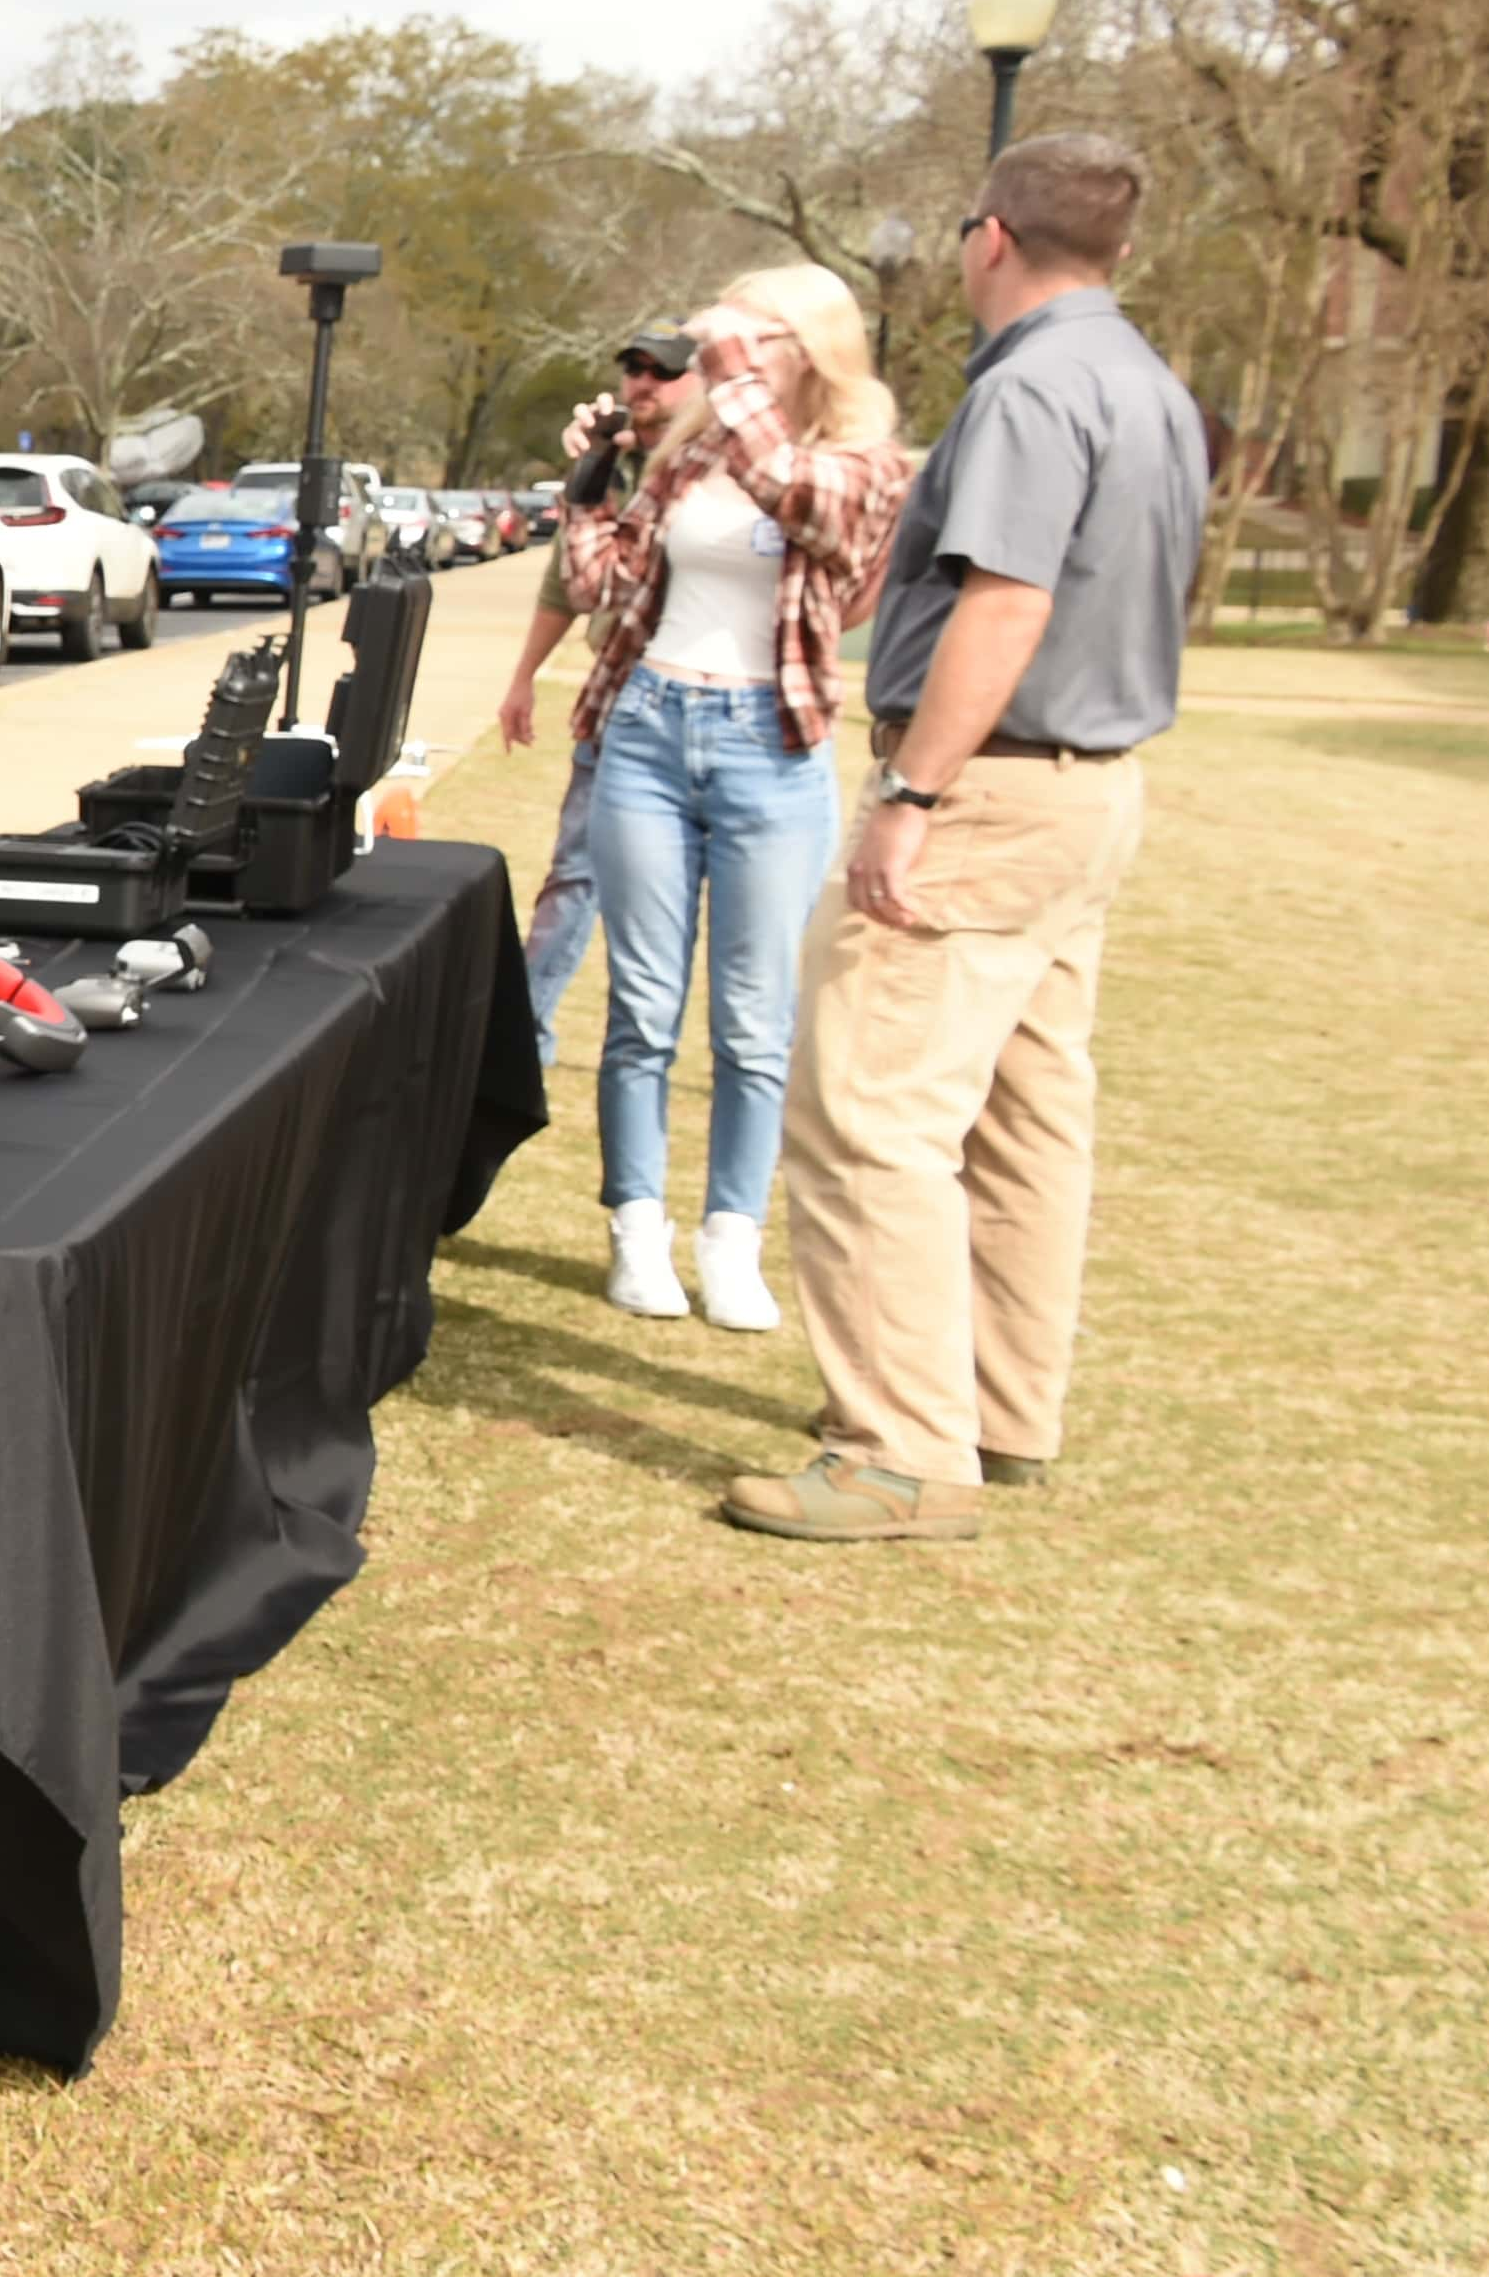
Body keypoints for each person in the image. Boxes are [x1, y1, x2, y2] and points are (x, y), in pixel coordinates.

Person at [736, 135, 1205, 1544]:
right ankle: (1002, 1410)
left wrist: (914, 796)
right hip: (1092, 792)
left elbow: (1005, 605)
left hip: (992, 792)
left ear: (989, 237)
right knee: (1025, 1116)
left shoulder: (1034, 388)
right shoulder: (1147, 382)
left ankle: (899, 1449)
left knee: (873, 1111)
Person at [551, 271, 912, 1332]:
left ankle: (731, 1240)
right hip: (650, 728)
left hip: (770, 744)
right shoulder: (696, 449)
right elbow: (603, 584)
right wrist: (590, 481)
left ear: (812, 346)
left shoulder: (863, 462)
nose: (727, 352)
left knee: (755, 1024)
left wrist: (719, 368)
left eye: (756, 334)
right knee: (641, 1009)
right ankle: (635, 1228)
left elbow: (808, 509)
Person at [495, 327, 700, 1057]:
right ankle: (527, 1034)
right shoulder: (611, 459)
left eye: (664, 373)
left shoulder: (718, 467)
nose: (644, 384)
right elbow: (569, 579)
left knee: (668, 896)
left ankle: (647, 1043)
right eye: (634, 370)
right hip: (615, 697)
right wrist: (523, 680)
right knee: (573, 874)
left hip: (696, 705)